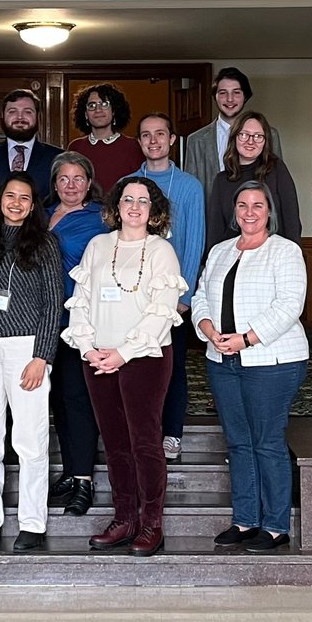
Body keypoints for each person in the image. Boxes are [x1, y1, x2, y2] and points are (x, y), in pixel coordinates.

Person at [65, 177, 185, 556]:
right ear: (116, 206)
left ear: (154, 211)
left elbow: (161, 314)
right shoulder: (98, 246)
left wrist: (122, 353)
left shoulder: (161, 250)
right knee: (115, 444)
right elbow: (81, 300)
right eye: (128, 199)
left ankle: (151, 524)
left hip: (145, 359)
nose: (135, 206)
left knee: (145, 443)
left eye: (143, 201)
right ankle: (124, 519)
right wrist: (87, 348)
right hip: (98, 359)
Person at [193, 181, 308, 554]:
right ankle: (245, 520)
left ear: (269, 211)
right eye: (242, 205)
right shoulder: (221, 251)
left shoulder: (285, 251)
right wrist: (208, 329)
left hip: (272, 361)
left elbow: (290, 306)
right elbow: (200, 296)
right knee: (238, 442)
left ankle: (275, 526)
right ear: (234, 211)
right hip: (222, 358)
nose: (249, 212)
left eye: (258, 205)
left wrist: (247, 338)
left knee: (267, 441)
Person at [0, 172, 64, 553]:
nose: (16, 203)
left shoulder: (46, 244)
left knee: (30, 439)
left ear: (33, 205)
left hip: (27, 350)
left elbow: (53, 304)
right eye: (10, 195)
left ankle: (33, 524)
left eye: (25, 197)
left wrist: (43, 356)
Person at [134, 113, 205, 461]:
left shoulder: (190, 186)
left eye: (160, 134)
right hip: (136, 295)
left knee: (172, 367)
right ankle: (143, 431)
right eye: (146, 135)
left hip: (173, 297)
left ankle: (172, 433)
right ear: (140, 142)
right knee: (137, 367)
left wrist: (184, 296)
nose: (153, 141)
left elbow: (194, 242)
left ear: (172, 139)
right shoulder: (130, 183)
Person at [45, 151, 108, 516]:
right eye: (63, 179)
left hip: (80, 323)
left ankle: (84, 480)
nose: (71, 185)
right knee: (59, 405)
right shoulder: (39, 215)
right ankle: (70, 470)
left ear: (89, 182)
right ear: (54, 183)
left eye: (78, 178)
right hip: (40, 322)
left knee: (79, 401)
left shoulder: (101, 217)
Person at [184, 67, 283, 203]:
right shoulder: (196, 141)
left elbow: (278, 185)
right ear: (215, 96)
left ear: (245, 96)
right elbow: (191, 193)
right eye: (223, 93)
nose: (229, 99)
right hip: (212, 219)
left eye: (236, 92)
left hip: (256, 218)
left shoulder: (269, 135)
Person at [205, 111, 302, 249]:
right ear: (234, 138)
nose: (250, 141)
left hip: (274, 256)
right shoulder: (222, 180)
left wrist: (293, 256)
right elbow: (215, 230)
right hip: (234, 256)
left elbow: (291, 219)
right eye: (244, 135)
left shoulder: (276, 169)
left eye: (258, 136)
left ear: (265, 141)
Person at [0, 89, 63, 199]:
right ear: (3, 116)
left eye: (28, 112)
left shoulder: (57, 158)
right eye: (12, 111)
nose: (20, 117)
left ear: (38, 116)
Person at [67, 83, 143, 187]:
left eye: (104, 104)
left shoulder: (133, 146)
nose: (98, 110)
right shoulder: (76, 147)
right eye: (92, 105)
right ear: (85, 114)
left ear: (114, 111)